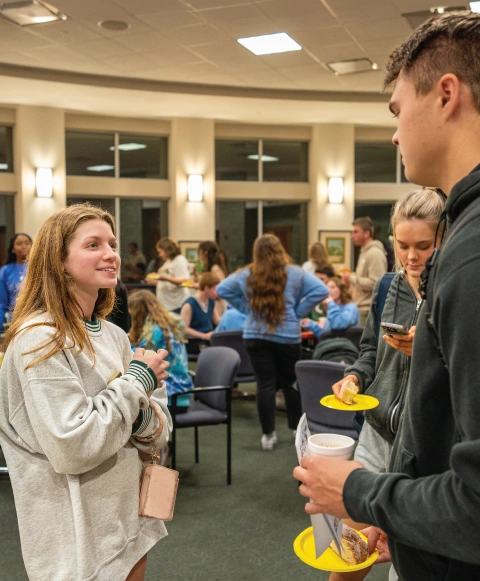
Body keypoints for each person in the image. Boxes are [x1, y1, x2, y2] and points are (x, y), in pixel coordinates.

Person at [294, 11, 480, 580]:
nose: (395, 134)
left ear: (446, 94)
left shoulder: (471, 255)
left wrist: (364, 493)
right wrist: (398, 512)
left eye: (399, 111)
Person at [0, 204, 172, 581]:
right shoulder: (39, 339)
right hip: (77, 538)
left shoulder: (112, 334)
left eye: (112, 243)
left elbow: (160, 429)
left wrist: (139, 412)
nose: (111, 253)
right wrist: (138, 381)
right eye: (93, 244)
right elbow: (73, 447)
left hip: (127, 520)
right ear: (58, 260)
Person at [327, 189, 446, 581]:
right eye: (403, 245)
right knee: (349, 554)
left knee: (406, 562)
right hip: (376, 436)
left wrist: (425, 350)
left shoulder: (454, 292)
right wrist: (354, 377)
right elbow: (368, 352)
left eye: (424, 246)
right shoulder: (386, 288)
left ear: (444, 238)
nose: (411, 256)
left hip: (424, 447)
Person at [217, 234, 328, 450]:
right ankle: (297, 430)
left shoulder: (246, 274)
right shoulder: (295, 273)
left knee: (264, 385)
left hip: (255, 336)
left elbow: (221, 289)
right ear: (280, 250)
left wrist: (246, 309)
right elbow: (321, 290)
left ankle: (268, 435)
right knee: (290, 383)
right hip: (287, 336)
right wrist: (297, 312)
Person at [128, 290, 193, 411]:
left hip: (171, 397)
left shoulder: (155, 332)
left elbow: (134, 357)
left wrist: (122, 341)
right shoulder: (168, 326)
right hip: (182, 392)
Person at [341, 217, 387, 326]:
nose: (352, 236)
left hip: (367, 310)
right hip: (359, 308)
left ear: (367, 234)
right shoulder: (364, 252)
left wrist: (351, 278)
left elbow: (377, 283)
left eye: (356, 232)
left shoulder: (374, 253)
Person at [180, 272, 221, 355]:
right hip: (194, 341)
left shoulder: (211, 301)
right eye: (215, 289)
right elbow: (184, 329)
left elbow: (217, 320)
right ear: (206, 288)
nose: (217, 292)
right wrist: (204, 335)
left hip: (208, 338)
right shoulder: (189, 305)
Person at [0, 233, 32, 326]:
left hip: (39, 317)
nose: (24, 246)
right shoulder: (5, 271)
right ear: (13, 248)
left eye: (27, 243)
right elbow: (2, 303)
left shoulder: (40, 266)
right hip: (15, 321)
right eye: (19, 244)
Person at [154, 237, 190, 313]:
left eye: (160, 252)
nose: (159, 255)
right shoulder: (168, 261)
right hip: (166, 305)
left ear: (167, 250)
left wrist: (166, 278)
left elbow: (184, 280)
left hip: (176, 305)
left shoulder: (179, 260)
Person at [198, 240, 228, 315]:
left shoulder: (215, 269)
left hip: (217, 306)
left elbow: (220, 289)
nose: (199, 256)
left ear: (206, 253)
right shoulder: (209, 268)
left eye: (200, 253)